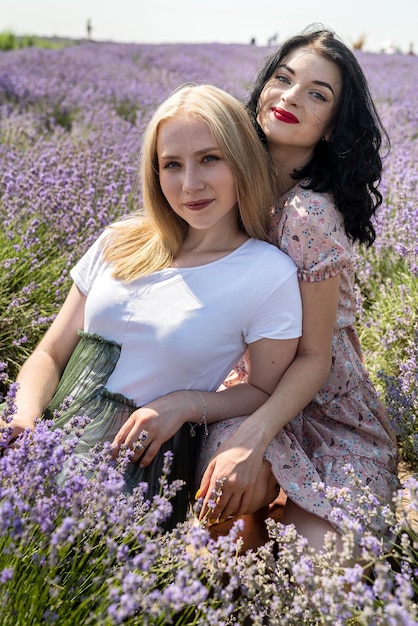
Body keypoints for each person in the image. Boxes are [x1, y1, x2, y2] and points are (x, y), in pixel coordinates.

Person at [0, 84, 302, 528]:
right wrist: (23, 419)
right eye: (172, 165)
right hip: (48, 442)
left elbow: (262, 391)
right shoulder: (119, 240)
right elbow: (50, 352)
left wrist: (183, 403)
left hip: (137, 474)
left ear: (241, 159)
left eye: (210, 159)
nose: (190, 184)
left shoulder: (267, 272)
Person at [150, 27, 399, 553]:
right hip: (248, 385)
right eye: (283, 79)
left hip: (329, 410)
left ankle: (288, 513)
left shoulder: (309, 215)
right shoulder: (230, 184)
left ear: (332, 127)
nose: (290, 97)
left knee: (318, 569)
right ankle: (262, 517)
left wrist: (253, 435)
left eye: (317, 94)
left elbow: (315, 357)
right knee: (225, 526)